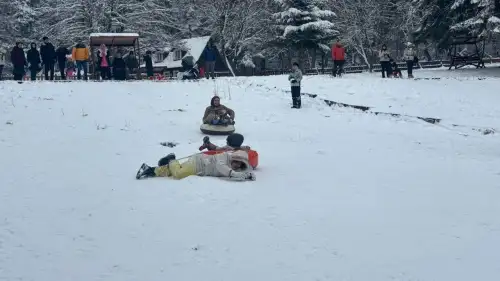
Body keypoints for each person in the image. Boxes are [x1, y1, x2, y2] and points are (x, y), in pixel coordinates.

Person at [136, 150, 256, 181]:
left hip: (200, 170)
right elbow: (220, 167)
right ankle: (171, 159)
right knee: (178, 174)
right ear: (233, 158)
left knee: (171, 172)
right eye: (236, 162)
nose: (236, 165)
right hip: (198, 163)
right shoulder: (224, 156)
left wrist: (246, 175)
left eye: (239, 165)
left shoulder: (234, 168)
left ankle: (150, 170)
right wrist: (235, 174)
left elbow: (245, 170)